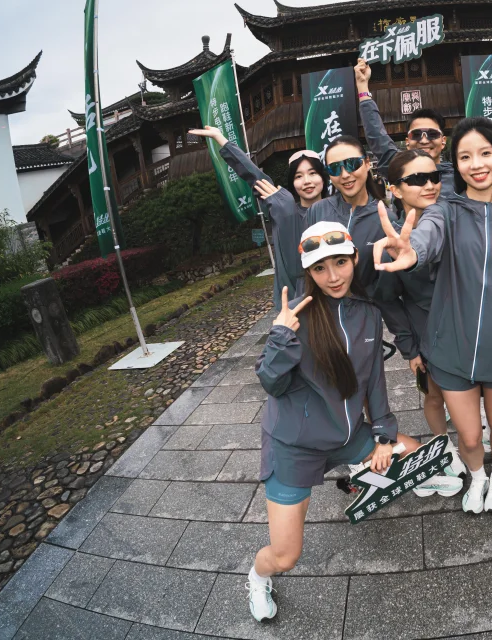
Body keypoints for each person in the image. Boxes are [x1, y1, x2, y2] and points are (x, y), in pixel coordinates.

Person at [246, 221, 462, 622]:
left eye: (340, 263)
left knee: (417, 454)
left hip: (347, 436)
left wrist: (382, 437)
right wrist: (279, 337)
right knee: (286, 556)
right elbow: (271, 384)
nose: (332, 277)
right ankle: (257, 578)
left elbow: (373, 381)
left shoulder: (367, 313)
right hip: (295, 446)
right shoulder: (297, 317)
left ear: (354, 259)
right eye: (320, 268)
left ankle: (367, 473)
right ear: (308, 272)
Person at [374, 117, 492, 515]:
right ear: (456, 164)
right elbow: (427, 237)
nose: (476, 164)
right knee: (468, 436)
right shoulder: (444, 213)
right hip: (450, 353)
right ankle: (477, 477)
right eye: (465, 156)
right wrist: (412, 251)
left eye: (485, 153)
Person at [383, 149, 467, 479]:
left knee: (470, 390)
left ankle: (475, 435)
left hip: (464, 324)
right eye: (417, 179)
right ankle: (444, 446)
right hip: (425, 330)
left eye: (434, 177)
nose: (430, 185)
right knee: (434, 395)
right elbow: (389, 300)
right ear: (395, 189)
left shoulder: (453, 218)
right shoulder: (392, 240)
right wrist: (409, 348)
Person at [188, 127, 329, 300]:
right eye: (298, 176)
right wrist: (221, 139)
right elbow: (254, 176)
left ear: (323, 177)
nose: (307, 181)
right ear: (292, 182)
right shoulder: (283, 209)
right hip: (297, 301)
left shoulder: (339, 209)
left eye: (313, 173)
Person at [354, 57, 456, 197]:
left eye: (432, 134)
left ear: (443, 141)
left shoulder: (461, 175)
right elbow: (376, 135)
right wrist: (362, 85)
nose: (424, 140)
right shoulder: (400, 167)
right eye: (416, 134)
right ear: (407, 142)